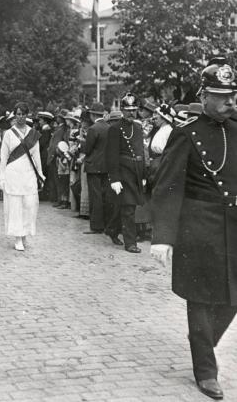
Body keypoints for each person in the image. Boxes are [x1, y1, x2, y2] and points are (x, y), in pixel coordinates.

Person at [151, 57, 237, 400]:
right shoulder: (186, 134)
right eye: (222, 95)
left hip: (233, 227)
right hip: (198, 230)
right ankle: (206, 371)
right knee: (200, 299)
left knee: (232, 299)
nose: (230, 101)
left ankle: (202, 344)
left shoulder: (236, 130)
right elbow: (168, 187)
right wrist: (163, 238)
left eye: (233, 95)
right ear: (204, 95)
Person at [0, 103, 44, 251]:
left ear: (27, 115)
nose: (21, 117)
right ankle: (17, 237)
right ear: (14, 115)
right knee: (16, 205)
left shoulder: (33, 133)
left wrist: (40, 173)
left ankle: (24, 233)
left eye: (23, 114)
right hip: (13, 172)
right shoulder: (9, 134)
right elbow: (3, 156)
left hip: (29, 172)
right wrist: (1, 176)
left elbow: (36, 155)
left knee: (29, 205)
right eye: (18, 114)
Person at [106, 93, 145, 253]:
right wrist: (114, 178)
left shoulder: (138, 127)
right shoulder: (115, 129)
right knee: (128, 208)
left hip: (135, 172)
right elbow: (111, 155)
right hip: (122, 172)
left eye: (134, 110)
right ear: (122, 110)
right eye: (128, 110)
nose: (131, 113)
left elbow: (140, 151)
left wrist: (142, 175)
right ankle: (130, 243)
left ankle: (112, 229)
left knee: (126, 206)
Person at [81, 102, 118, 236]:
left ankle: (96, 226)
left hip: (93, 166)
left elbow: (88, 149)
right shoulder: (109, 127)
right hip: (106, 166)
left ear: (92, 114)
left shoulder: (93, 129)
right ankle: (106, 224)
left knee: (95, 197)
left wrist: (82, 143)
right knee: (105, 196)